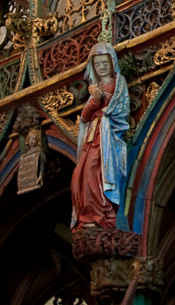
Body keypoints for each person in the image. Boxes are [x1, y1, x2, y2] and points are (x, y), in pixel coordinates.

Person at [71, 42, 130, 230]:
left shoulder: (118, 83)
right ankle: (87, 216)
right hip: (93, 136)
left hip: (107, 137)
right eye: (98, 65)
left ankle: (102, 214)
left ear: (112, 63)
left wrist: (103, 101)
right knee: (80, 174)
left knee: (95, 170)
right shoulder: (95, 87)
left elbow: (121, 109)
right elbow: (85, 117)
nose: (102, 67)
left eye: (105, 63)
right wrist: (94, 100)